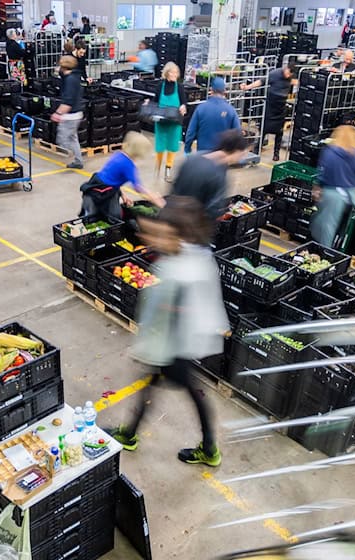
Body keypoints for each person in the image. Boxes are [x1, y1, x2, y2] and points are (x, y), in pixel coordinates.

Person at [108, 196, 228, 467]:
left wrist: (146, 348)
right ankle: (131, 433)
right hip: (181, 342)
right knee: (161, 387)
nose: (153, 239)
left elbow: (163, 318)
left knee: (183, 389)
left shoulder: (178, 271)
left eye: (160, 234)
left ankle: (209, 447)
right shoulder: (195, 255)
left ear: (177, 235)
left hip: (175, 346)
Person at [79, 132, 163, 220]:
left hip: (95, 185)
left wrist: (122, 195)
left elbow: (112, 178)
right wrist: (155, 199)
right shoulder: (128, 165)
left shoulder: (118, 155)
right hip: (103, 192)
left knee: (95, 216)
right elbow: (138, 187)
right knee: (114, 218)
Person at [170, 130, 250, 221]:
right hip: (191, 223)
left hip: (173, 213)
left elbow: (175, 185)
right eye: (242, 154)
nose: (242, 158)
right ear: (236, 151)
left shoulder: (194, 158)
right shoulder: (218, 174)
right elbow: (212, 210)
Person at [311, 125, 355, 249]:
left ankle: (325, 254)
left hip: (333, 195)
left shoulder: (329, 152)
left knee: (326, 227)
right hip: (351, 196)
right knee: (344, 227)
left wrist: (318, 188)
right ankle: (338, 250)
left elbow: (323, 174)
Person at [246, 64, 295, 161]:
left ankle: (276, 154)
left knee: (279, 132)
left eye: (290, 74)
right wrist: (248, 87)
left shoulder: (291, 76)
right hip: (271, 106)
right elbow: (261, 81)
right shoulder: (275, 73)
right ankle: (256, 151)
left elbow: (295, 81)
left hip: (281, 107)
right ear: (285, 69)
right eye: (288, 73)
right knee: (264, 128)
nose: (288, 76)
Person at [183, 77, 240, 153]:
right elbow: (237, 134)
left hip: (203, 154)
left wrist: (187, 149)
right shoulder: (231, 110)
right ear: (224, 91)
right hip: (222, 156)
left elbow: (191, 132)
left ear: (211, 90)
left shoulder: (201, 108)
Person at [152, 62, 187, 181]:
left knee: (172, 146)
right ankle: (157, 166)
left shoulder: (180, 87)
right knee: (160, 145)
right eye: (173, 72)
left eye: (176, 72)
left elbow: (183, 102)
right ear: (167, 73)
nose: (175, 74)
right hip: (161, 122)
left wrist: (183, 107)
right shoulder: (160, 86)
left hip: (174, 122)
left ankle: (168, 168)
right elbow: (155, 101)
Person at [52, 55, 85, 169]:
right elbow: (63, 74)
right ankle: (78, 160)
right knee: (73, 138)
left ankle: (75, 157)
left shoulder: (70, 80)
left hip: (71, 115)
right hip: (77, 113)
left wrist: (58, 113)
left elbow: (68, 101)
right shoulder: (74, 75)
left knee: (62, 140)